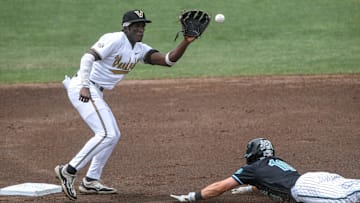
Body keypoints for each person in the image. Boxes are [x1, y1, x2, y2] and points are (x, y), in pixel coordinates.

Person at [55, 9, 199, 201]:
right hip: (84, 87)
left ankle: (90, 180)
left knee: (113, 135)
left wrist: (186, 42)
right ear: (126, 27)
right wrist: (84, 86)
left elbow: (168, 60)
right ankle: (68, 170)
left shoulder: (139, 49)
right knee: (107, 133)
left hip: (95, 91)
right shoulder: (115, 39)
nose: (140, 29)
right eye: (136, 26)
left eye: (142, 26)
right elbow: (87, 57)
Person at [170, 138, 360, 203]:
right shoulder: (275, 162)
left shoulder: (252, 168)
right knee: (353, 187)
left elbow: (221, 187)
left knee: (347, 198)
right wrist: (248, 188)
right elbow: (270, 183)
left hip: (304, 188)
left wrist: (193, 196)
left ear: (252, 153)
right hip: (316, 178)